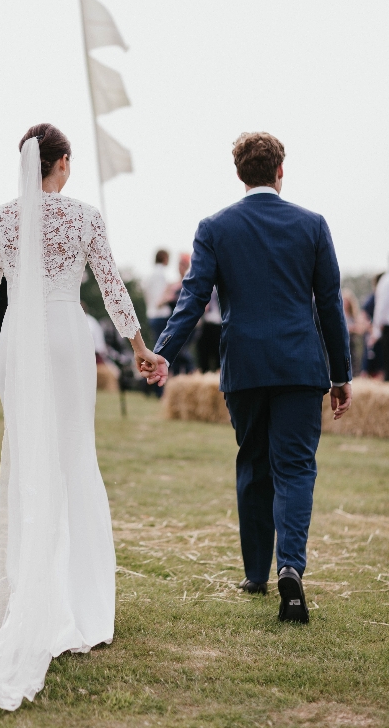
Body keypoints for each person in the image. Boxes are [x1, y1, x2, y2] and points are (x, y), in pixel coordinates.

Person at [0, 123, 157, 711]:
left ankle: (38, 595)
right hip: (69, 338)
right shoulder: (83, 215)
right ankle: (80, 601)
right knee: (74, 456)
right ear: (63, 163)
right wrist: (139, 346)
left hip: (21, 342)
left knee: (30, 459)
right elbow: (111, 284)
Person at [145, 132, 351, 625]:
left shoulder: (215, 227)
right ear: (281, 171)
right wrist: (342, 374)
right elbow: (330, 306)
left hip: (245, 366)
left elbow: (193, 298)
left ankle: (257, 571)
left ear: (240, 175)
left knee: (253, 463)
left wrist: (162, 354)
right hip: (301, 366)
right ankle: (291, 567)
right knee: (296, 468)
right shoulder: (313, 225)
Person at [142, 249, 172, 345]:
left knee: (158, 344)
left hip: (152, 314)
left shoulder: (150, 275)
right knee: (164, 346)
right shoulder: (160, 274)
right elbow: (160, 298)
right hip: (161, 315)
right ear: (164, 258)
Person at [372, 263, 389, 381]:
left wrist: (377, 329)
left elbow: (380, 307)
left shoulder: (385, 281)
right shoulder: (386, 281)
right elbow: (381, 307)